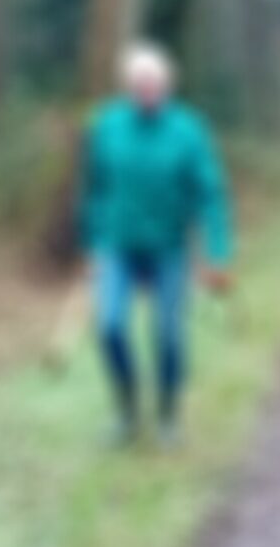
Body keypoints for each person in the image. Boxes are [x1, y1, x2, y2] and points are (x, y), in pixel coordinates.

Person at [80, 43, 233, 447]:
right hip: (118, 246)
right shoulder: (107, 126)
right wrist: (93, 244)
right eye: (139, 82)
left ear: (166, 85)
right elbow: (95, 190)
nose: (147, 88)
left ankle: (167, 414)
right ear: (128, 86)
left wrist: (217, 251)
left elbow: (210, 194)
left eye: (154, 81)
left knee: (167, 332)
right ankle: (127, 411)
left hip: (169, 248)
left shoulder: (188, 130)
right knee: (109, 325)